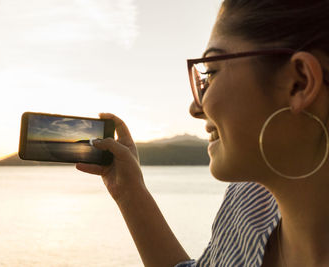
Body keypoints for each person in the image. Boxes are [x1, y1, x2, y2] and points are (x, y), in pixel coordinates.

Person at [76, 0, 329, 266]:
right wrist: (128, 190)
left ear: (299, 83)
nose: (195, 108)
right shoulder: (250, 203)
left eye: (210, 72)